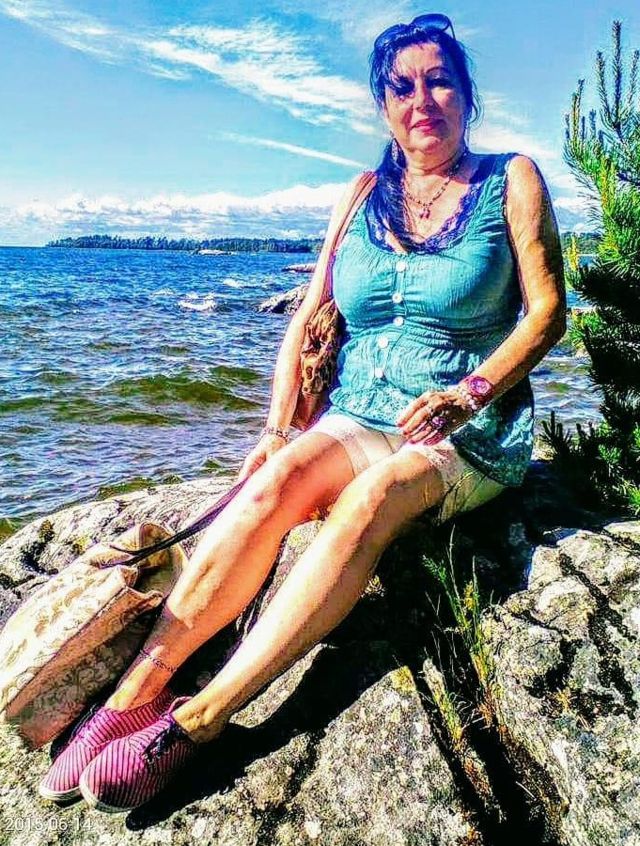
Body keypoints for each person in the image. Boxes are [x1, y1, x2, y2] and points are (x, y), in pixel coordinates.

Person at [39, 13, 566, 812]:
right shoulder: (362, 195)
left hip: (465, 431)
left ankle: (202, 718)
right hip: (360, 411)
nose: (421, 99)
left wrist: (470, 393)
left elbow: (547, 313)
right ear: (382, 104)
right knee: (272, 484)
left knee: (371, 500)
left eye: (439, 81)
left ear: (466, 94)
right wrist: (278, 428)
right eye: (402, 87)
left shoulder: (511, 179)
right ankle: (132, 698)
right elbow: (312, 316)